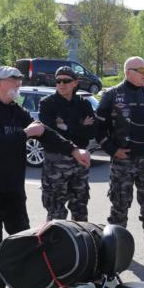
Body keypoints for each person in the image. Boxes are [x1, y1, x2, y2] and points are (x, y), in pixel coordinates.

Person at [0, 66, 90, 288]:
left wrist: (74, 150)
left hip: (12, 186)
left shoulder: (17, 110)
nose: (18, 84)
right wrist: (26, 133)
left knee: (23, 238)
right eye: (14, 80)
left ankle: (26, 285)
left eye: (20, 80)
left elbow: (45, 132)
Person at [96, 56, 144, 259]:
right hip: (123, 161)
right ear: (128, 73)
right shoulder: (112, 95)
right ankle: (117, 249)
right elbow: (99, 128)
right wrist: (113, 150)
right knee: (119, 205)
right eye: (140, 70)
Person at [38, 66, 96, 222]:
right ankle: (55, 239)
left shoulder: (84, 104)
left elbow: (91, 133)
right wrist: (80, 126)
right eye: (58, 81)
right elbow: (50, 133)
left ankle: (80, 238)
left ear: (75, 83)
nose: (61, 84)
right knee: (56, 212)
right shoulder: (47, 103)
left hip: (79, 163)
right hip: (56, 162)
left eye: (66, 81)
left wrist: (66, 126)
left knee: (80, 209)